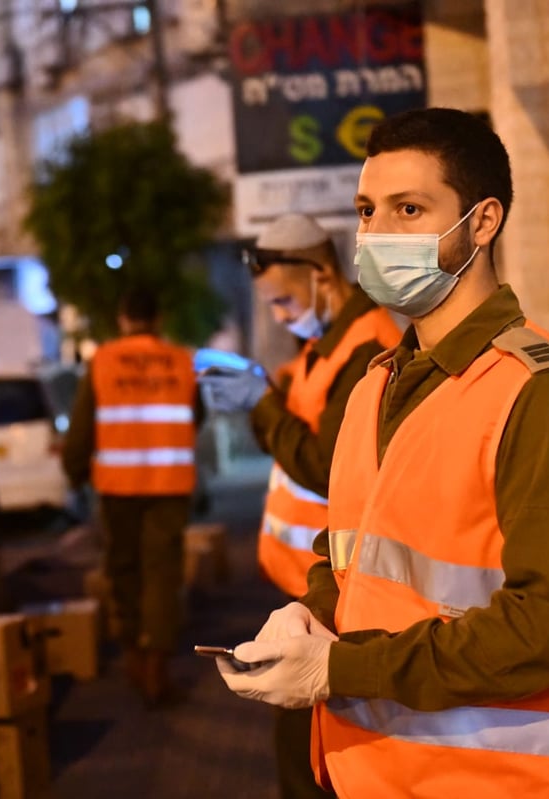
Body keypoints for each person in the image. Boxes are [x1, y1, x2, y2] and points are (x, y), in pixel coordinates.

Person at [216, 107, 549, 798]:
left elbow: (548, 627)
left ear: (482, 222)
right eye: (366, 210)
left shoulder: (547, 396)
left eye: (409, 208)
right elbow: (354, 551)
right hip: (380, 770)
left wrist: (338, 668)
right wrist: (309, 610)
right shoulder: (377, 385)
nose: (377, 233)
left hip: (502, 780)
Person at [201, 214, 400, 798]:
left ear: (320, 274)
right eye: (271, 306)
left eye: (285, 300)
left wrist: (262, 405)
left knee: (309, 761)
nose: (281, 315)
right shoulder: (322, 346)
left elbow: (323, 466)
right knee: (304, 754)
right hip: (308, 585)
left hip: (341, 587)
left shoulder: (370, 348)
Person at [62, 287, 202, 706]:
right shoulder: (181, 361)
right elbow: (196, 416)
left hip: (117, 487)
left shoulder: (102, 361)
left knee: (124, 570)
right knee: (161, 574)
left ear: (123, 319)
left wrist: (74, 471)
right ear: (157, 320)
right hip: (168, 485)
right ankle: (158, 668)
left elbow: (82, 424)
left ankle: (133, 659)